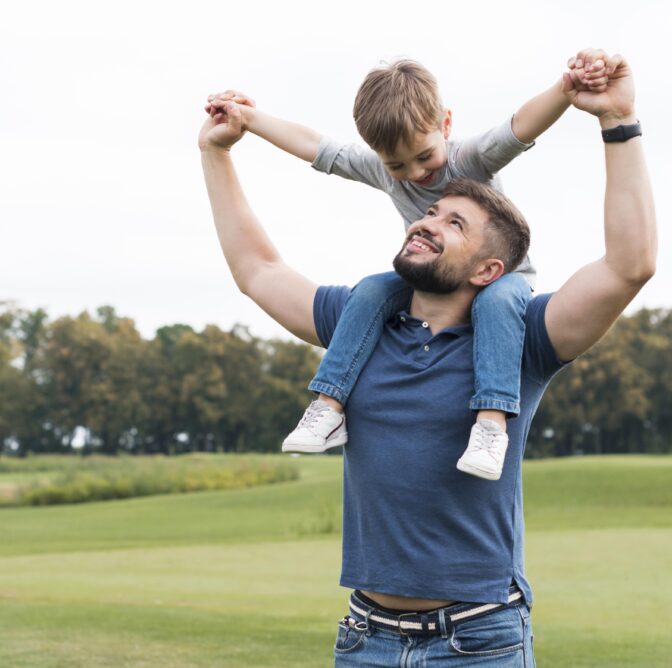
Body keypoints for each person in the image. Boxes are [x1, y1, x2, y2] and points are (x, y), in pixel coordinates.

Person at [199, 50, 654, 668]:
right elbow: (256, 268)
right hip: (365, 643)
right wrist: (218, 152)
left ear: (488, 269)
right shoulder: (361, 323)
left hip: (482, 645)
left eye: (454, 222)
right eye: (429, 212)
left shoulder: (523, 336)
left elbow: (629, 265)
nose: (425, 217)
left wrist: (618, 122)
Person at [205, 54, 612, 480]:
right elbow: (317, 147)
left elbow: (518, 127)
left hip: (502, 281)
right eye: (396, 165)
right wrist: (247, 118)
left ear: (446, 126)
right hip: (430, 279)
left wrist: (565, 91)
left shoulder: (468, 160)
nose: (414, 173)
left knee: (494, 304)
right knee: (370, 290)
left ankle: (491, 424)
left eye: (423, 156)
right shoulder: (385, 172)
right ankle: (328, 406)